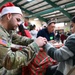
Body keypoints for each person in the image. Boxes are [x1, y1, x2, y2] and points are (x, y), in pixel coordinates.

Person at [0, 2, 47, 75]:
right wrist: (35, 46)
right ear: (9, 16)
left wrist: (35, 41)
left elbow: (20, 39)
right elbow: (10, 61)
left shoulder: (8, 31)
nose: (19, 24)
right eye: (18, 20)